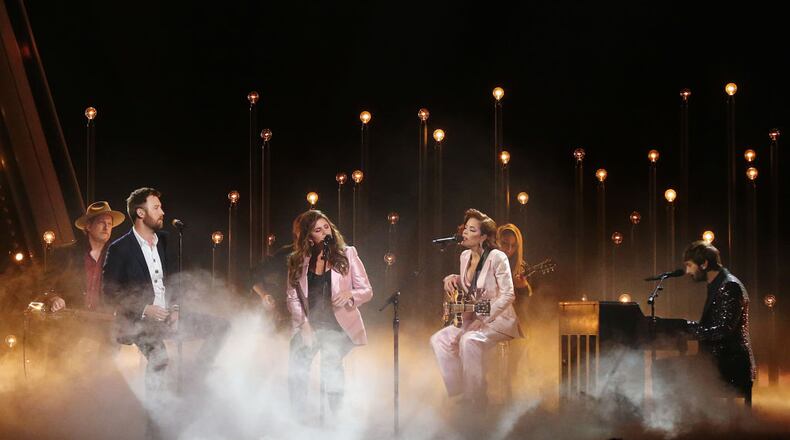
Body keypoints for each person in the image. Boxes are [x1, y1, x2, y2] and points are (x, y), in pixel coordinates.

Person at [102, 187, 229, 435]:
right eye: (156, 207)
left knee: (222, 326)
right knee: (160, 359)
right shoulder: (120, 248)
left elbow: (173, 281)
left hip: (169, 315)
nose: (163, 211)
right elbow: (110, 292)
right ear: (140, 212)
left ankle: (196, 375)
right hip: (138, 322)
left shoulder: (167, 240)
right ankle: (155, 429)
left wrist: (176, 308)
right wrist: (144, 309)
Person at [430, 209, 521, 410]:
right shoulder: (464, 256)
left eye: (472, 230)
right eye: (465, 228)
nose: (465, 233)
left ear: (483, 237)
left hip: (499, 319)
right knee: (439, 339)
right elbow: (471, 285)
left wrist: (485, 317)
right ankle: (460, 391)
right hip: (475, 316)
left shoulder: (497, 257)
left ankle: (476, 399)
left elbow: (508, 294)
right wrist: (451, 278)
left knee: (469, 341)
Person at [286, 210, 372, 414]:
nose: (325, 232)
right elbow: (292, 297)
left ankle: (336, 418)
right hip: (311, 324)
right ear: (308, 236)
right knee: (297, 358)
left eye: (327, 227)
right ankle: (297, 416)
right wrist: (304, 326)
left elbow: (367, 290)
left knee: (330, 360)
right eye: (318, 230)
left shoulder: (348, 253)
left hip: (339, 326)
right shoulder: (298, 260)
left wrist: (350, 294)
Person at [682, 240, 756, 404]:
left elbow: (723, 330)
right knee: (672, 366)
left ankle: (687, 424)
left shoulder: (729, 286)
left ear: (704, 264)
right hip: (719, 359)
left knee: (672, 369)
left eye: (689, 265)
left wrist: (687, 329)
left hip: (731, 364)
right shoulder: (718, 284)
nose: (687, 271)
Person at [48, 201, 125, 313]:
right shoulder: (66, 253)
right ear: (88, 226)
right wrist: (54, 298)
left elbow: (126, 289)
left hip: (104, 323)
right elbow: (46, 285)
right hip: (70, 321)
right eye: (101, 222)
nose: (106, 227)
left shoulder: (118, 257)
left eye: (109, 224)